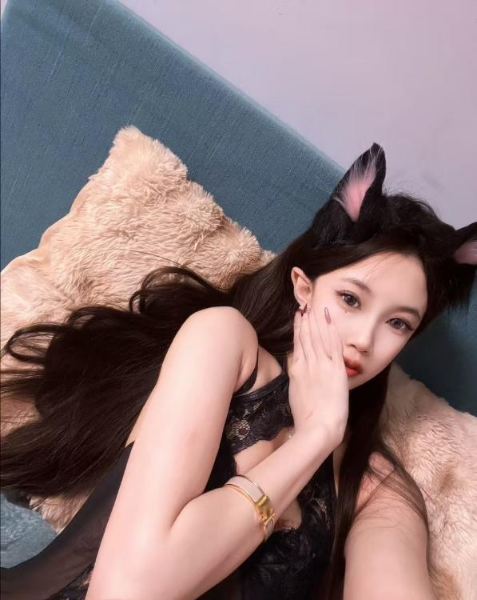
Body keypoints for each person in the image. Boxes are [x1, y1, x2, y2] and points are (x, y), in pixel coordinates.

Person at [1, 144, 476, 600]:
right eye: (350, 299)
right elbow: (127, 591)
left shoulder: (375, 488)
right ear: (303, 288)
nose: (364, 340)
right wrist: (316, 437)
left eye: (398, 323)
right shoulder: (225, 343)